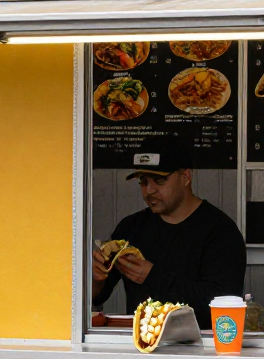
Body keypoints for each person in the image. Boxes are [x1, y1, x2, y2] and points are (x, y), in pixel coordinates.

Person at [92, 133, 247, 327]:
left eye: (160, 180)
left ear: (186, 177)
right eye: (143, 181)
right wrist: (96, 278)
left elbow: (224, 304)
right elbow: (95, 297)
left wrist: (152, 276)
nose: (149, 190)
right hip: (142, 347)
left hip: (201, 350)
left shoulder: (221, 232)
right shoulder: (130, 228)